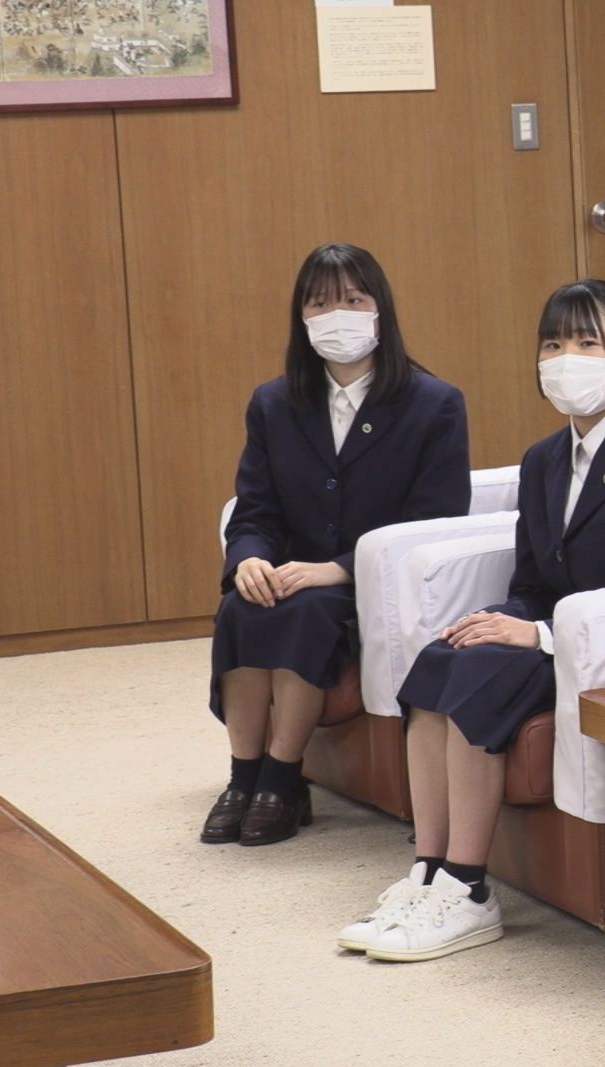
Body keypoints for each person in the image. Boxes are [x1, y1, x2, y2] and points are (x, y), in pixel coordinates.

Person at [336, 279, 605, 962]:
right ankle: (428, 870)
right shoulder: (544, 461)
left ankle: (467, 889)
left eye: (586, 343)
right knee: (441, 658)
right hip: (554, 637)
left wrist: (539, 635)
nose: (565, 358)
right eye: (552, 344)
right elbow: (532, 583)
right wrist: (497, 617)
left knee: (478, 674)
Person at [203, 243, 470, 847]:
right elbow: (255, 508)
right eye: (320, 303)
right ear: (301, 317)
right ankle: (243, 777)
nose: (337, 315)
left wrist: (343, 569)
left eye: (353, 299)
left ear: (380, 310)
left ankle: (282, 779)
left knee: (307, 610)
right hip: (288, 573)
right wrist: (248, 558)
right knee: (242, 606)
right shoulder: (274, 402)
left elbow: (435, 523)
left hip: (373, 586)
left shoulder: (434, 404)